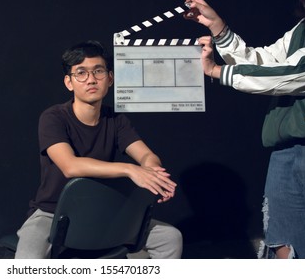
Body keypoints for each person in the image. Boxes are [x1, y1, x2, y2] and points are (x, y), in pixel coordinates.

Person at [14, 40, 183, 259]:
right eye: (81, 73)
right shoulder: (53, 117)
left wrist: (154, 175)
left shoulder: (116, 120)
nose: (91, 79)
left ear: (110, 78)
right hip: (52, 213)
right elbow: (70, 166)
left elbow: (147, 155)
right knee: (27, 261)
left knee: (170, 237)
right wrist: (130, 170)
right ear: (69, 82)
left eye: (98, 71)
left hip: (105, 212)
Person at [184, 0, 305, 258]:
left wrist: (217, 71)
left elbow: (291, 72)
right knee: (283, 245)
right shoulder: (304, 27)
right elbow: (263, 62)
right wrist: (218, 29)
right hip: (285, 149)